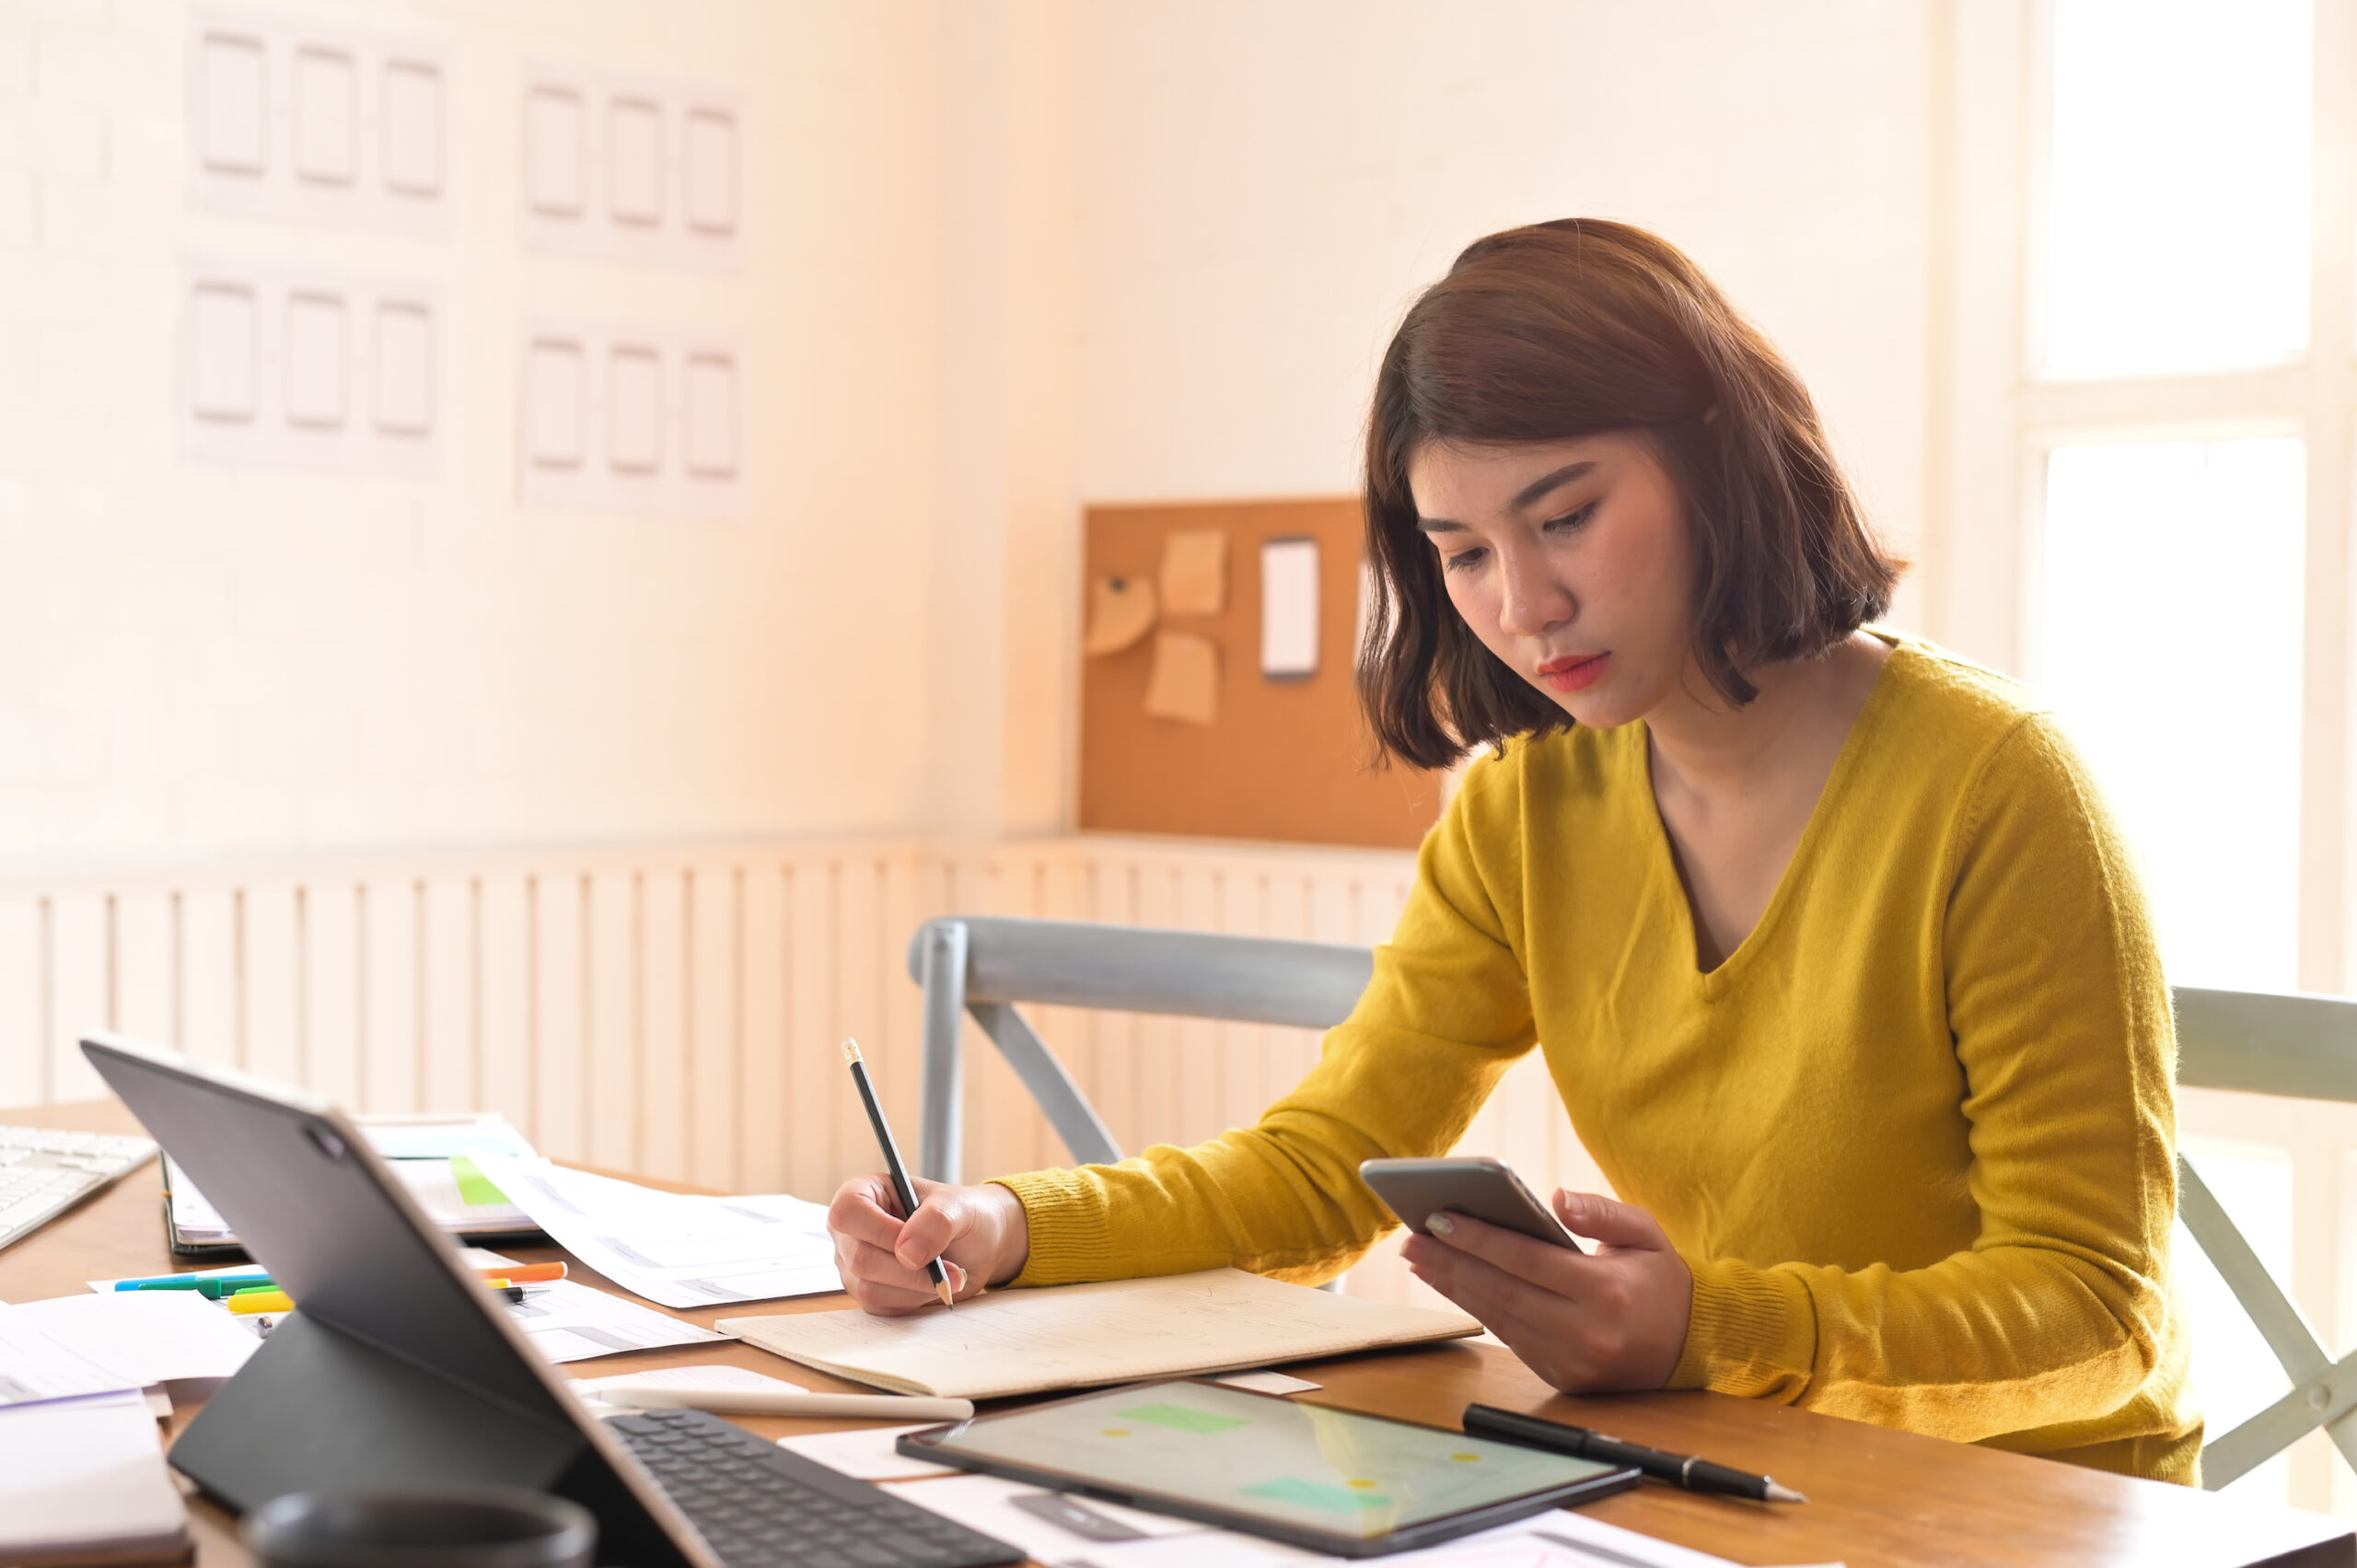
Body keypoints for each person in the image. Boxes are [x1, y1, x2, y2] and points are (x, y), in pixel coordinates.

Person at [827, 218, 2198, 1483]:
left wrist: (1703, 1328)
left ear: (1719, 458)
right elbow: (1328, 1167)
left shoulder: (1999, 788)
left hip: (2043, 1509)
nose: (1526, 605)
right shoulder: (1524, 805)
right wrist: (1007, 1229)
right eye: (1462, 552)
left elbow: (2098, 1313)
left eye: (1565, 517)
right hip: (1737, 1473)